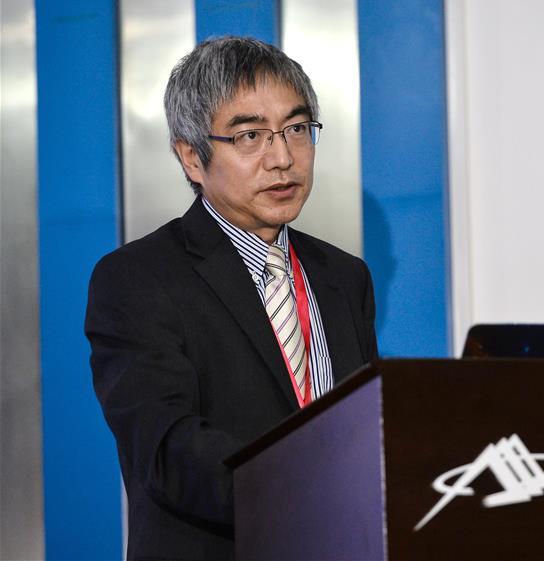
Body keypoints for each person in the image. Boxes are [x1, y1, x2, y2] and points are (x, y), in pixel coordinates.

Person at [85, 36, 378, 560]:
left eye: (296, 129)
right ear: (191, 157)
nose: (282, 158)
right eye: (249, 136)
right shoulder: (137, 279)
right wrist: (313, 492)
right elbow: (168, 449)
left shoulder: (343, 275)